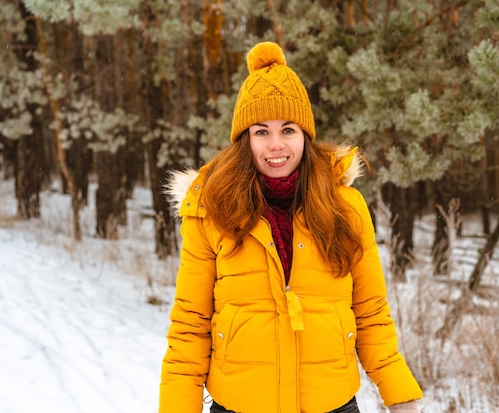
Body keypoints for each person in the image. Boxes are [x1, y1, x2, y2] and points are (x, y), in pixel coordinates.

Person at [159, 41, 423, 413]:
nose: (276, 145)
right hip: (240, 404)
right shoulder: (210, 210)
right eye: (261, 132)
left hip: (330, 404)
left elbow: (370, 310)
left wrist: (399, 394)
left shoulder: (345, 207)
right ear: (244, 140)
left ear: (306, 135)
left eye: (288, 129)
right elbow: (190, 323)